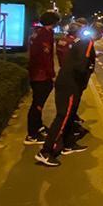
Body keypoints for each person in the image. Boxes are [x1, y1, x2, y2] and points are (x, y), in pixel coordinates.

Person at [35, 22, 103, 167]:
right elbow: (81, 66)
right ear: (99, 33)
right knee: (63, 117)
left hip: (68, 83)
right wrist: (88, 70)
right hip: (70, 85)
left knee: (70, 116)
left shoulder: (82, 41)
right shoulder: (88, 43)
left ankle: (67, 144)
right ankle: (45, 151)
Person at [25, 11, 60, 145]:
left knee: (37, 102)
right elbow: (46, 56)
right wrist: (52, 74)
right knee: (37, 105)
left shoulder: (36, 32)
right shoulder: (45, 34)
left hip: (35, 72)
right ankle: (32, 135)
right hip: (41, 75)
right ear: (53, 22)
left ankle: (38, 127)